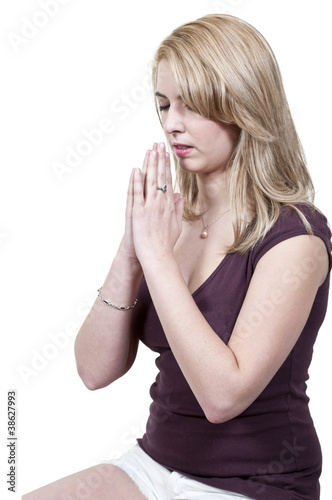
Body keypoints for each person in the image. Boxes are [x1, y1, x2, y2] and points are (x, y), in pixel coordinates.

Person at [23, 13, 331, 500]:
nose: (171, 124)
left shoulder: (297, 238)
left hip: (255, 483)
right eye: (164, 105)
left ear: (243, 106)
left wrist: (159, 260)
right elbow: (93, 371)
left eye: (191, 108)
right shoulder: (171, 219)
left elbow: (223, 397)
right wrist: (131, 252)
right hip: (154, 462)